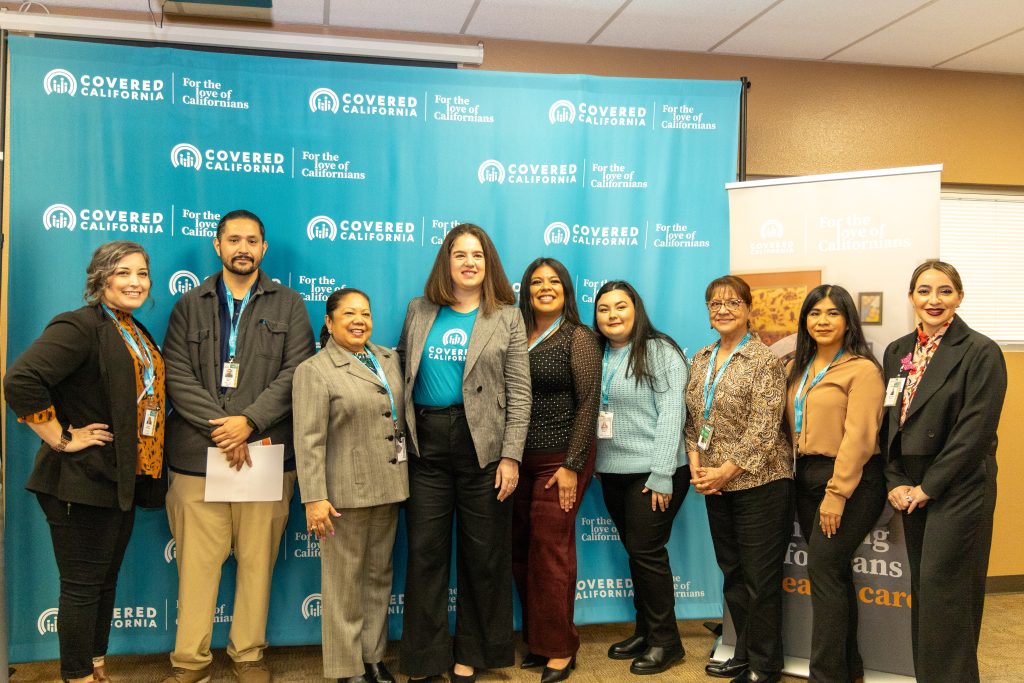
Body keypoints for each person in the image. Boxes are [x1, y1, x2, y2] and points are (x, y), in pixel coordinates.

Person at [160, 209, 315, 683]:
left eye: (251, 240)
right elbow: (176, 373)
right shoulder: (190, 304)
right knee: (196, 567)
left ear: (263, 248)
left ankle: (248, 655)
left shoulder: (289, 304)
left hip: (264, 452)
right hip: (196, 457)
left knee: (256, 564)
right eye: (233, 240)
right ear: (218, 245)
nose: (242, 248)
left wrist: (248, 422)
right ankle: (190, 662)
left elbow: (297, 372)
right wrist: (222, 428)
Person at [4, 241, 165, 683]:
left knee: (104, 582)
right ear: (100, 278)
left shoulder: (132, 328)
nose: (135, 282)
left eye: (142, 273)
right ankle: (76, 675)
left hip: (119, 479)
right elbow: (21, 380)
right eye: (123, 272)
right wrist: (62, 438)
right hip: (79, 482)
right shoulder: (79, 326)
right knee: (81, 588)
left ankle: (95, 666)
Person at [397, 223, 531, 683]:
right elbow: (401, 371)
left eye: (477, 255)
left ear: (488, 263)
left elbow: (520, 392)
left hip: (485, 451)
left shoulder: (507, 317)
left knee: (484, 556)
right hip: (427, 448)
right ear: (447, 262)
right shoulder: (419, 309)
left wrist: (511, 456)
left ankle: (473, 652)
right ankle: (424, 659)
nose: (469, 262)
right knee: (425, 554)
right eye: (460, 254)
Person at [881, 260, 1006, 683]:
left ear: (960, 297)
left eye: (945, 291)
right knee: (925, 592)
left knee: (947, 594)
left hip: (959, 484)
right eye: (924, 291)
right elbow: (891, 422)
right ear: (911, 297)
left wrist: (928, 487)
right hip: (911, 486)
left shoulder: (980, 351)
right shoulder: (898, 350)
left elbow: (975, 431)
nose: (933, 300)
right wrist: (896, 480)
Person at [293, 288, 408, 683]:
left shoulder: (388, 359)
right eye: (349, 314)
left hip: (389, 486)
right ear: (329, 321)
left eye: (365, 313)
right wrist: (314, 498)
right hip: (342, 495)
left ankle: (373, 657)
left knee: (378, 577)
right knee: (344, 584)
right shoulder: (315, 370)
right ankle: (347, 667)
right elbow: (308, 440)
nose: (359, 320)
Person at [684, 275, 792, 683]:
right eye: (715, 303)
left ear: (748, 310)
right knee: (733, 573)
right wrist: (696, 465)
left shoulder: (763, 360)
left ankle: (766, 665)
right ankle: (743, 652)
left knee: (760, 579)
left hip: (760, 483)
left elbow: (764, 429)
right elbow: (693, 419)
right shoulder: (702, 357)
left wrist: (725, 471)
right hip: (715, 484)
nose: (723, 309)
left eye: (732, 302)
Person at [785, 285, 885, 683]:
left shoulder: (862, 370)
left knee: (824, 571)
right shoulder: (797, 368)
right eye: (814, 313)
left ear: (848, 321)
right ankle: (848, 669)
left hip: (851, 480)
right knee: (835, 575)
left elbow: (859, 438)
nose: (822, 321)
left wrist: (837, 493)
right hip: (806, 474)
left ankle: (825, 675)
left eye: (832, 313)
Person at [591, 281, 689, 676]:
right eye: (603, 309)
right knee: (637, 553)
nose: (612, 315)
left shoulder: (660, 351)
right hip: (612, 472)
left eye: (620, 306)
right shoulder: (597, 352)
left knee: (647, 552)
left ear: (636, 310)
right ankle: (646, 631)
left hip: (655, 470)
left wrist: (662, 472)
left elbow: (672, 412)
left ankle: (668, 642)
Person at [512, 258, 601, 683]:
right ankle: (539, 640)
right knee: (521, 550)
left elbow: (589, 402)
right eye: (536, 282)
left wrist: (571, 465)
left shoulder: (578, 337)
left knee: (551, 551)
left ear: (566, 290)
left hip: (559, 459)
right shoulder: (516, 333)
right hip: (516, 459)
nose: (545, 288)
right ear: (526, 290)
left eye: (553, 281)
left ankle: (561, 649)